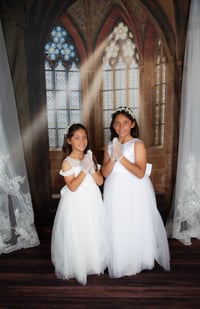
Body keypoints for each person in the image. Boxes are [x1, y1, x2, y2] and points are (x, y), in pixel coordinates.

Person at [101, 106, 170, 278]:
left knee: (133, 220)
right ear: (113, 126)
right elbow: (104, 172)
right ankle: (119, 258)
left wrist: (122, 158)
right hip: (114, 187)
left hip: (133, 188)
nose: (121, 127)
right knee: (117, 221)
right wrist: (113, 156)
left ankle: (136, 257)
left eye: (125, 123)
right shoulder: (109, 145)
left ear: (132, 124)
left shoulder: (137, 144)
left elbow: (140, 172)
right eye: (117, 123)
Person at [51, 123, 107, 285]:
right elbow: (73, 187)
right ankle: (78, 264)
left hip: (92, 200)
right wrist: (83, 169)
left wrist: (90, 167)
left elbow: (100, 181)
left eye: (84, 137)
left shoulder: (90, 157)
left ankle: (93, 262)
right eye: (77, 138)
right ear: (69, 141)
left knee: (92, 229)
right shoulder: (67, 163)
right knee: (78, 231)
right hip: (76, 203)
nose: (82, 141)